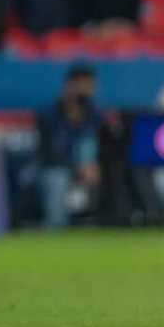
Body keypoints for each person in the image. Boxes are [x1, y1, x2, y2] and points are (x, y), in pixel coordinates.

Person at [36, 65, 100, 227]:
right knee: (58, 179)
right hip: (55, 168)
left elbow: (94, 142)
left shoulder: (92, 111)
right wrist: (77, 167)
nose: (90, 89)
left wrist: (91, 165)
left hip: (86, 169)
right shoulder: (50, 113)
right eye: (86, 84)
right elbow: (53, 151)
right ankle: (56, 226)